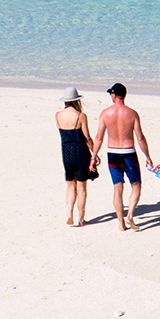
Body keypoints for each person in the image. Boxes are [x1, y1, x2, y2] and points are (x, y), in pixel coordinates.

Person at [98, 82, 155, 231]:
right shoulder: (132, 113)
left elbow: (99, 137)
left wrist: (94, 156)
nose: (111, 96)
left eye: (111, 93)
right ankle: (129, 215)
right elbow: (140, 138)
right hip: (128, 152)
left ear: (115, 95)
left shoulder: (105, 113)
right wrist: (147, 156)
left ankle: (121, 224)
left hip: (112, 152)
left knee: (117, 188)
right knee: (136, 185)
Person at [54, 88, 99, 226]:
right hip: (80, 152)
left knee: (70, 184)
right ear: (77, 100)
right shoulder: (81, 116)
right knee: (82, 187)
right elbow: (87, 137)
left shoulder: (58, 115)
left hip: (66, 152)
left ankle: (69, 213)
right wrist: (94, 153)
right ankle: (81, 219)